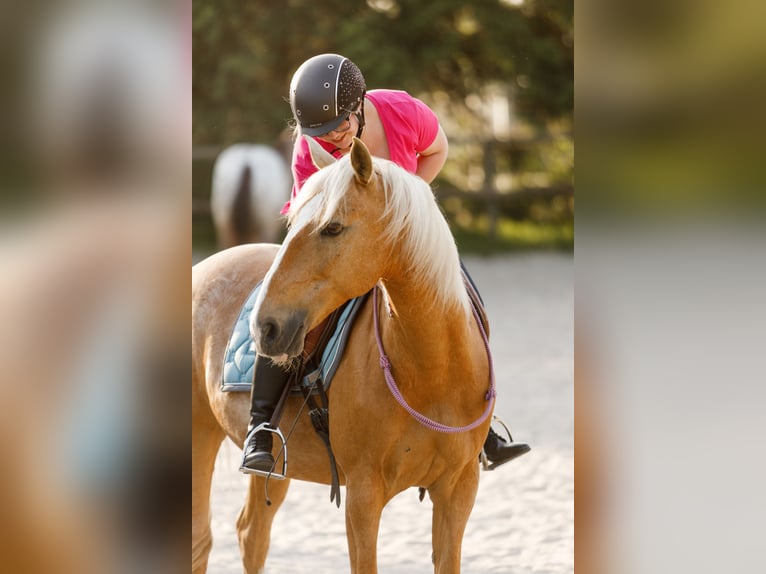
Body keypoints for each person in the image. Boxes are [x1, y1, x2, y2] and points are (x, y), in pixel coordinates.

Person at [240, 53, 530, 476]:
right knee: (290, 302)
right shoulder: (310, 147)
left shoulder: (404, 111)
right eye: (319, 131)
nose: (331, 139)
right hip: (336, 238)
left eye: (339, 126)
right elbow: (309, 217)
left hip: (405, 238)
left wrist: (404, 211)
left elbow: (438, 149)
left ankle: (481, 428)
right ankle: (260, 427)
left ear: (359, 106)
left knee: (467, 303)